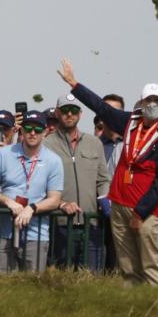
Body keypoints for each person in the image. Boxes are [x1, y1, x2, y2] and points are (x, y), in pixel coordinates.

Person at [57, 59, 158, 287]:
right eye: (148, 100)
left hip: (146, 209)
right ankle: (132, 306)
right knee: (127, 265)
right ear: (141, 102)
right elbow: (101, 108)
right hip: (120, 203)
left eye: (157, 101)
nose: (152, 104)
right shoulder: (129, 121)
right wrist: (74, 84)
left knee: (151, 263)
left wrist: (140, 212)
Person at [42, 93, 110, 271]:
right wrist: (62, 203)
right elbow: (41, 185)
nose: (69, 114)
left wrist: (104, 197)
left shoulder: (94, 143)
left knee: (93, 279)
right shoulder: (46, 145)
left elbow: (103, 179)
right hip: (61, 224)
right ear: (57, 113)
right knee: (63, 279)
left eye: (73, 110)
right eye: (65, 110)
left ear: (80, 114)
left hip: (92, 223)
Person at [0, 110, 63, 272]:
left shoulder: (54, 160)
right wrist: (8, 201)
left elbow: (55, 199)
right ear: (21, 130)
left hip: (36, 234)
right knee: (4, 288)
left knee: (34, 288)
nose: (32, 133)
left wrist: (31, 208)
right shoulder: (2, 154)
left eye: (37, 129)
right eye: (28, 128)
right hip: (4, 232)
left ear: (45, 132)